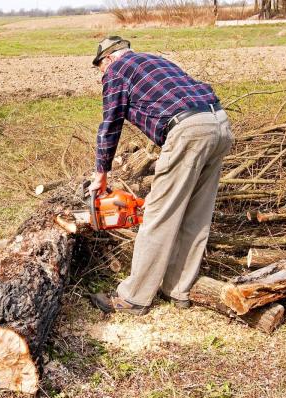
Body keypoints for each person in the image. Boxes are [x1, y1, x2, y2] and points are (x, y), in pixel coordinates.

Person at [89, 36, 234, 315]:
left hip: (189, 130)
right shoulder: (155, 60)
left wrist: (101, 174)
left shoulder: (116, 71)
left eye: (100, 70)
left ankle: (133, 297)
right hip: (219, 123)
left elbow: (110, 125)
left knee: (159, 214)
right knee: (196, 214)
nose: (101, 77)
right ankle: (178, 289)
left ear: (108, 59)